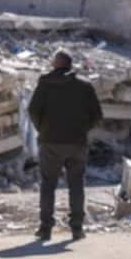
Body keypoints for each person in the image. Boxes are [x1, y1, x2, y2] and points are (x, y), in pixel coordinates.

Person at [28, 50, 102, 241]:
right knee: (76, 184)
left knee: (48, 185)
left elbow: (33, 110)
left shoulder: (45, 84)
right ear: (70, 65)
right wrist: (83, 129)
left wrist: (43, 129)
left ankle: (45, 229)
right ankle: (77, 228)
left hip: (50, 142)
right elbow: (97, 115)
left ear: (55, 65)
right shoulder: (84, 86)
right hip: (77, 143)